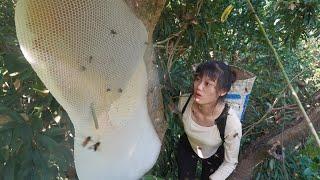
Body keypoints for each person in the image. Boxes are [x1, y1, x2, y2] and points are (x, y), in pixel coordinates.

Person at [177, 60, 241, 180]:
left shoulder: (230, 123)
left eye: (207, 84)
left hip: (215, 153)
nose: (198, 87)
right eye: (197, 79)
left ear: (222, 91)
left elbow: (230, 162)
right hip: (189, 145)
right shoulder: (184, 101)